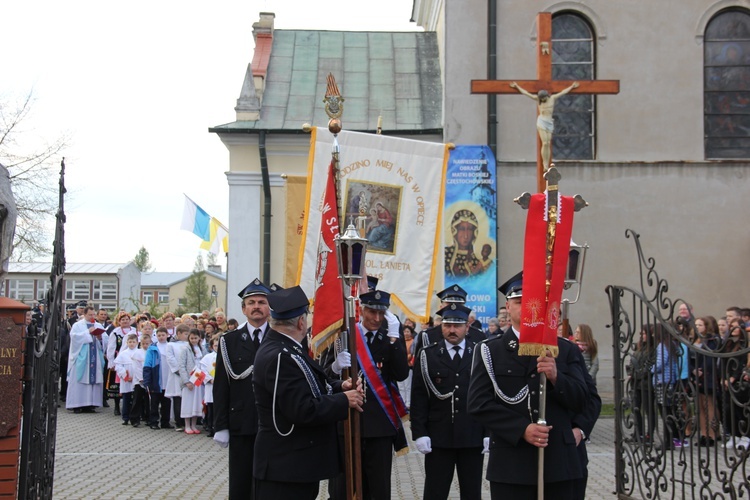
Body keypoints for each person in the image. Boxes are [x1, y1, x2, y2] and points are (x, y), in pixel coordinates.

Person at [468, 272, 589, 499]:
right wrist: (521, 429)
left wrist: (556, 377)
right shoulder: (489, 351)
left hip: (558, 464)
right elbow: (478, 403)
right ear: (507, 307)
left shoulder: (566, 349)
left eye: (534, 301)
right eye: (519, 301)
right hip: (511, 464)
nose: (527, 307)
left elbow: (583, 400)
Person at [253, 286, 363, 499]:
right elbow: (302, 409)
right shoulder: (281, 355)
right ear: (301, 322)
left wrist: (340, 387)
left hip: (293, 466)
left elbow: (308, 385)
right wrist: (343, 401)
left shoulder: (286, 348)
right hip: (285, 468)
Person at [327, 289, 410, 500]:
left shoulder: (389, 336)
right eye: (372, 312)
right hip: (346, 421)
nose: (377, 318)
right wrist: (336, 368)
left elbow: (401, 374)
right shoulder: (344, 335)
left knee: (378, 488)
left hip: (379, 426)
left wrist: (395, 341)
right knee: (343, 488)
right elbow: (325, 376)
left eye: (382, 313)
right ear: (361, 310)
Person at [411, 303, 486, 500]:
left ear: (467, 327)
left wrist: (489, 433)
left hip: (472, 435)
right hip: (439, 437)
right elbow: (419, 396)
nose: (452, 330)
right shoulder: (427, 355)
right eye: (447, 325)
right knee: (435, 492)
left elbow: (488, 396)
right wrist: (419, 433)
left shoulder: (480, 353)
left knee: (472, 492)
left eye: (457, 325)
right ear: (441, 326)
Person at [213, 278, 271, 499]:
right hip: (242, 424)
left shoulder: (280, 338)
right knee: (240, 484)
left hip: (274, 425)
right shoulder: (229, 341)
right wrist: (221, 426)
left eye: (262, 302)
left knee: (269, 483)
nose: (257, 306)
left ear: (269, 307)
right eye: (252, 302)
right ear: (243, 308)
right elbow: (221, 386)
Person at [509, 81, 579, 171]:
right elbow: (526, 93)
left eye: (543, 98)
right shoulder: (537, 99)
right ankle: (545, 164)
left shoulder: (552, 98)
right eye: (541, 99)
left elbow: (563, 92)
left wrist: (572, 86)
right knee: (545, 142)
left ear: (547, 96)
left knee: (548, 144)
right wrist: (517, 86)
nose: (542, 100)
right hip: (541, 121)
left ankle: (546, 162)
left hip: (549, 122)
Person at [415, 284, 486, 359]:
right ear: (441, 307)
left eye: (459, 304)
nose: (454, 307)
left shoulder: (478, 335)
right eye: (449, 304)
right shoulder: (427, 336)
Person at [66, 306, 106, 413]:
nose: (92, 317)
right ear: (85, 314)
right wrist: (88, 332)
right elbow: (74, 338)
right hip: (82, 356)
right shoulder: (78, 325)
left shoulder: (98, 325)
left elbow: (105, 339)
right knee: (79, 380)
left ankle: (90, 404)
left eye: (93, 315)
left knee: (93, 381)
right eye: (90, 315)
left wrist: (100, 338)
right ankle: (77, 404)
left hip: (95, 356)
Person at [106, 311, 134, 417]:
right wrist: (111, 362)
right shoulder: (115, 332)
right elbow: (111, 348)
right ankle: (117, 406)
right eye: (123, 320)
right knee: (117, 385)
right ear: (119, 321)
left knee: (130, 384)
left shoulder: (134, 331)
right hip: (119, 359)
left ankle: (129, 407)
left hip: (131, 360)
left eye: (127, 319)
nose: (125, 321)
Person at [179, 330, 205, 434]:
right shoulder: (185, 349)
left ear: (199, 338)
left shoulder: (202, 349)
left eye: (196, 338)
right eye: (192, 338)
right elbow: (181, 366)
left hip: (199, 379)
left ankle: (194, 425)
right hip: (189, 380)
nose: (194, 340)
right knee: (188, 403)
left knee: (196, 403)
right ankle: (187, 425)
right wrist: (186, 381)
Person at [165, 324, 190, 431]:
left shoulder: (189, 344)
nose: (187, 336)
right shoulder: (171, 345)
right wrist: (179, 370)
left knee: (187, 398)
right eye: (185, 334)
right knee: (177, 398)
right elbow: (170, 358)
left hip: (188, 375)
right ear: (178, 333)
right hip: (177, 375)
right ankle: (178, 422)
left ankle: (187, 422)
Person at [444, 210, 483, 277]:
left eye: (470, 229)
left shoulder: (476, 262)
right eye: (461, 229)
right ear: (454, 231)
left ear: (474, 233)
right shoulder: (445, 255)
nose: (466, 236)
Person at [143, 327, 166, 430]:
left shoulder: (170, 347)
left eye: (163, 335)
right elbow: (147, 365)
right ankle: (154, 421)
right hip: (156, 379)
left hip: (167, 379)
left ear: (167, 335)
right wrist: (147, 381)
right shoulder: (152, 348)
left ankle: (165, 421)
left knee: (166, 402)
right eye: (159, 335)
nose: (161, 337)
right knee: (154, 402)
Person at [114, 333, 139, 426]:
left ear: (137, 342)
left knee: (136, 399)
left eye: (133, 342)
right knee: (126, 399)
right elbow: (118, 366)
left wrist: (136, 377)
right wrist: (125, 375)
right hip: (126, 380)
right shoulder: (123, 354)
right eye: (130, 342)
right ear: (127, 343)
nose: (132, 344)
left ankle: (135, 418)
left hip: (136, 379)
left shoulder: (139, 352)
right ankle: (125, 417)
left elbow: (141, 367)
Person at [202, 337, 218, 436]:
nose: (218, 348)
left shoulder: (226, 356)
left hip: (221, 387)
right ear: (212, 346)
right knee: (211, 409)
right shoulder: (207, 357)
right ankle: (210, 428)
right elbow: (203, 370)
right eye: (216, 346)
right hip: (211, 385)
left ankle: (219, 427)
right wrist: (210, 379)